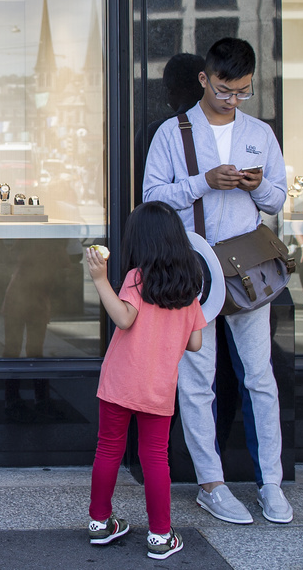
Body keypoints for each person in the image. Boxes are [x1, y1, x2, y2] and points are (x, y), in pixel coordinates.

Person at [143, 37, 292, 526]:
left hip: (249, 270)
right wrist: (205, 181)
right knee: (197, 381)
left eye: (243, 92)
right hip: (197, 271)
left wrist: (257, 185)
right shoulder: (172, 132)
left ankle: (270, 482)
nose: (233, 100)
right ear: (206, 79)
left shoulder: (259, 133)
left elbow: (276, 199)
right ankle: (211, 482)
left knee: (260, 378)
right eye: (226, 90)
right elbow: (153, 199)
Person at [84, 201, 207, 561]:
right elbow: (196, 343)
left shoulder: (137, 278)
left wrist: (99, 280)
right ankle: (159, 536)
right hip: (158, 387)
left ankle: (100, 523)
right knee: (155, 458)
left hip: (120, 381)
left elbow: (124, 319)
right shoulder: (188, 286)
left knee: (108, 449)